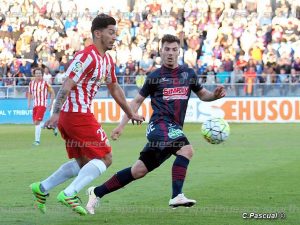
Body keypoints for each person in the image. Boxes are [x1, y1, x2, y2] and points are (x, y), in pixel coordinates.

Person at [86, 34, 226, 214]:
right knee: (187, 149)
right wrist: (122, 125)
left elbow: (203, 94)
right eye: (166, 49)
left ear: (179, 52)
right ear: (161, 51)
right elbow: (136, 102)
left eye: (174, 50)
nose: (170, 53)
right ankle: (177, 195)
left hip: (173, 129)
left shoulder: (188, 74)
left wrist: (214, 95)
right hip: (159, 126)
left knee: (138, 171)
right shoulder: (155, 76)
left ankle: (96, 192)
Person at [29, 14, 144, 216]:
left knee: (83, 162)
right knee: (106, 157)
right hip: (76, 115)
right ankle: (70, 193)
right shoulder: (86, 56)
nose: (114, 37)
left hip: (73, 116)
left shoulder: (107, 60)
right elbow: (67, 85)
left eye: (115, 33)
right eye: (111, 32)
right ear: (97, 33)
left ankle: (43, 188)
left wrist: (131, 113)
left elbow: (115, 88)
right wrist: (55, 113)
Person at [28, 68, 55, 145]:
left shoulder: (45, 83)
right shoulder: (31, 83)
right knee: (36, 123)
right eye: (37, 73)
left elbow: (52, 93)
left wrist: (51, 103)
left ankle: (37, 141)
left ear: (42, 74)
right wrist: (29, 103)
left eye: (40, 73)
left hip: (42, 104)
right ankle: (50, 125)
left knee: (37, 122)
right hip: (35, 105)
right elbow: (29, 93)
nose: (38, 75)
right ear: (34, 75)